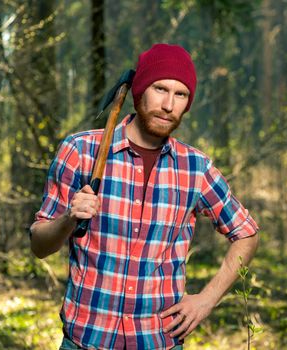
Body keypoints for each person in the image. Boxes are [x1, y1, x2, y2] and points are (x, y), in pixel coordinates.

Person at [30, 43, 259, 350]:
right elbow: (39, 244)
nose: (168, 104)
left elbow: (246, 233)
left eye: (181, 95)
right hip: (85, 340)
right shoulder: (80, 151)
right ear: (139, 92)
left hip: (159, 341)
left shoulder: (196, 168)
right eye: (160, 88)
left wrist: (206, 301)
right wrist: (69, 218)